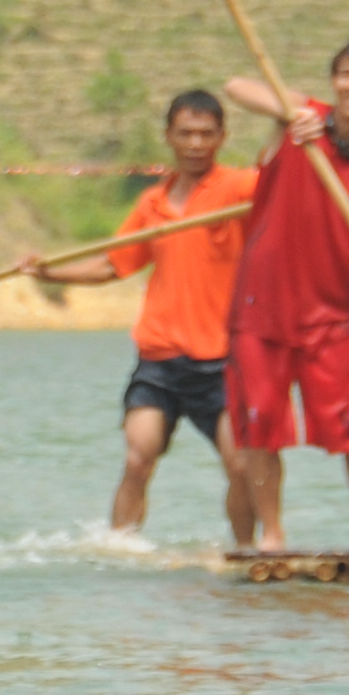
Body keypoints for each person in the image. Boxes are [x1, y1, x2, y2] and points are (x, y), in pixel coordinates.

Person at [21, 90, 260, 543]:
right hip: (161, 357)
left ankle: (249, 554)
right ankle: (119, 546)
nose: (195, 144)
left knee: (242, 463)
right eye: (186, 133)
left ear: (222, 137)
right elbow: (112, 265)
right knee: (137, 458)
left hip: (222, 360)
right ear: (169, 136)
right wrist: (50, 271)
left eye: (206, 135)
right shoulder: (153, 204)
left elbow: (282, 187)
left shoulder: (239, 189)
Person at [223, 37, 349, 553]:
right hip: (258, 309)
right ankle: (272, 537)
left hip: (328, 315)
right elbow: (236, 87)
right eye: (346, 75)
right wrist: (292, 114)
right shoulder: (302, 119)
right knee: (260, 432)